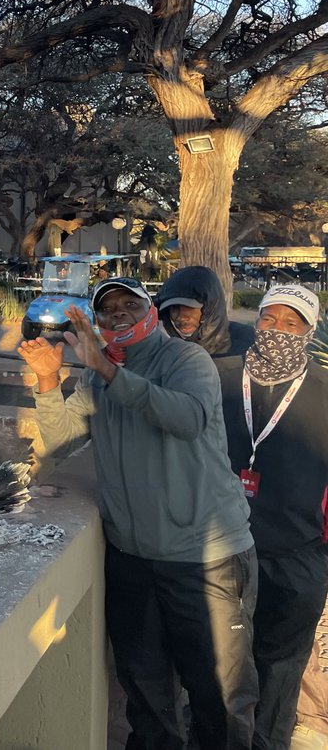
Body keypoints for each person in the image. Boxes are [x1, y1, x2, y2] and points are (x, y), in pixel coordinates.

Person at [18, 276, 258, 749]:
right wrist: (49, 379)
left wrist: (109, 373)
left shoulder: (185, 360)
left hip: (204, 560)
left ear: (150, 310)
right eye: (108, 308)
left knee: (220, 701)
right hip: (132, 560)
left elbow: (186, 420)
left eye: (131, 302)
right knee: (146, 698)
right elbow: (63, 439)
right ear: (100, 321)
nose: (119, 312)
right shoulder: (97, 374)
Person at [216, 285, 328, 749]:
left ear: (310, 330)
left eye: (292, 323)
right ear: (256, 320)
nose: (278, 330)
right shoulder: (218, 378)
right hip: (222, 551)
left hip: (297, 556)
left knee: (279, 671)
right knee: (218, 664)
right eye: (269, 319)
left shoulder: (325, 393)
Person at [157, 265, 256, 357]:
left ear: (212, 308)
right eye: (174, 308)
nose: (181, 317)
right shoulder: (162, 351)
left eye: (189, 307)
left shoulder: (250, 346)